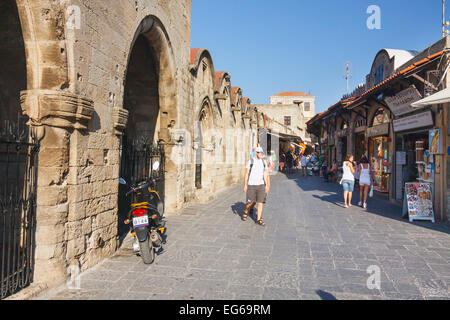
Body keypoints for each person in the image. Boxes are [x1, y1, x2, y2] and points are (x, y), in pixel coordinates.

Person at [243, 147, 270, 226]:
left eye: (262, 152)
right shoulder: (250, 161)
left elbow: (265, 174)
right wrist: (245, 185)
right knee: (249, 202)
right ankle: (246, 210)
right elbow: (246, 173)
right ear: (256, 153)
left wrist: (267, 184)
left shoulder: (264, 162)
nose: (261, 154)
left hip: (261, 185)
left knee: (260, 202)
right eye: (259, 152)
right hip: (251, 185)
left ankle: (258, 219)